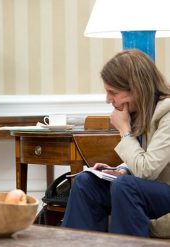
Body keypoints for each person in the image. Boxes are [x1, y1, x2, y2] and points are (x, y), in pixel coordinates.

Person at [62, 50, 170, 237]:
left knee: (125, 186)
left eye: (113, 92)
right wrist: (121, 170)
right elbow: (145, 157)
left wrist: (124, 131)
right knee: (86, 182)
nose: (108, 100)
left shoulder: (168, 114)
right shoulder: (143, 111)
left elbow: (147, 169)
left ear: (137, 88)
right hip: (150, 190)